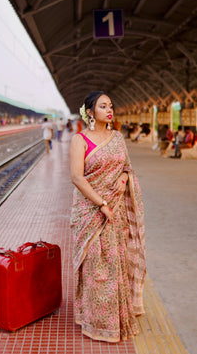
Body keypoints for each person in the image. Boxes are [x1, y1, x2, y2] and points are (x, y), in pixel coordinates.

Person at [69, 91, 146, 343]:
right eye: (103, 106)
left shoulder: (118, 137)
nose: (109, 110)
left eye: (110, 106)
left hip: (116, 213)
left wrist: (124, 179)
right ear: (90, 112)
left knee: (115, 263)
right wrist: (101, 203)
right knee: (95, 266)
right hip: (91, 211)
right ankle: (95, 320)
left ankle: (117, 318)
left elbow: (127, 167)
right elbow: (77, 178)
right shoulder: (79, 140)